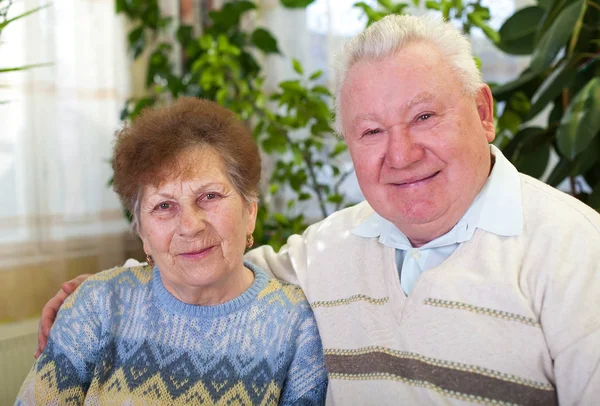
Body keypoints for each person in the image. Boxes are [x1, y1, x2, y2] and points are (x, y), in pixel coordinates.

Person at [36, 14, 600, 405]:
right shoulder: (330, 248)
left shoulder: (575, 251)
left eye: (424, 117)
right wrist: (113, 291)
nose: (401, 154)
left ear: (482, 112)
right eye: (372, 131)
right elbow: (218, 265)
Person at [17, 97, 328, 405]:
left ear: (250, 212)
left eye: (209, 196)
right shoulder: (96, 306)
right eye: (164, 206)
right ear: (142, 233)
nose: (190, 225)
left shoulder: (296, 326)